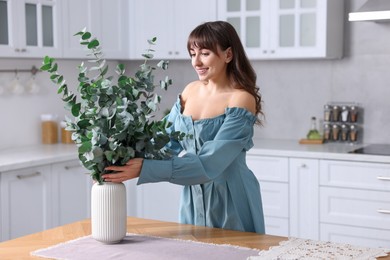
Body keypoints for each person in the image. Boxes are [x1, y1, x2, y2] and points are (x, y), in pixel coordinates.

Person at [103, 21, 265, 234]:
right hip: (192, 195)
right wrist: (119, 156)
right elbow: (165, 141)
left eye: (205, 53)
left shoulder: (241, 99)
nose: (196, 62)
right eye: (192, 54)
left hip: (232, 198)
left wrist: (144, 169)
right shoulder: (190, 90)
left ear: (228, 55)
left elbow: (209, 165)